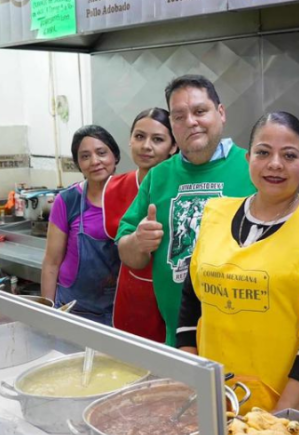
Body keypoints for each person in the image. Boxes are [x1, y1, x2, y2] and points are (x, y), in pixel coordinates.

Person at [177, 112, 299, 413]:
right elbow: (190, 309)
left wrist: (276, 421)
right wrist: (192, 388)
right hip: (212, 399)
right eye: (263, 152)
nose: (275, 164)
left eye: (289, 155)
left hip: (284, 407)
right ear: (248, 158)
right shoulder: (215, 215)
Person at [116, 75, 255, 347]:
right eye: (179, 116)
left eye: (200, 111)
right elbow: (128, 253)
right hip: (177, 339)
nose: (191, 121)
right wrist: (138, 242)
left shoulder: (253, 167)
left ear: (221, 113)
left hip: (244, 338)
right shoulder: (158, 177)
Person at [103, 108, 177, 342]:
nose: (146, 146)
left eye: (158, 139)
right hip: (131, 296)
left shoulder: (183, 186)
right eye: (139, 136)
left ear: (173, 147)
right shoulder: (113, 187)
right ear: (130, 140)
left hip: (175, 297)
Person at [42, 125, 121, 325]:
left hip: (120, 309)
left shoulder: (133, 196)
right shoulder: (67, 201)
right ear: (78, 163)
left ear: (115, 156)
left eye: (101, 153)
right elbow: (51, 262)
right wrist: (47, 313)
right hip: (73, 309)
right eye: (85, 156)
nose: (95, 161)